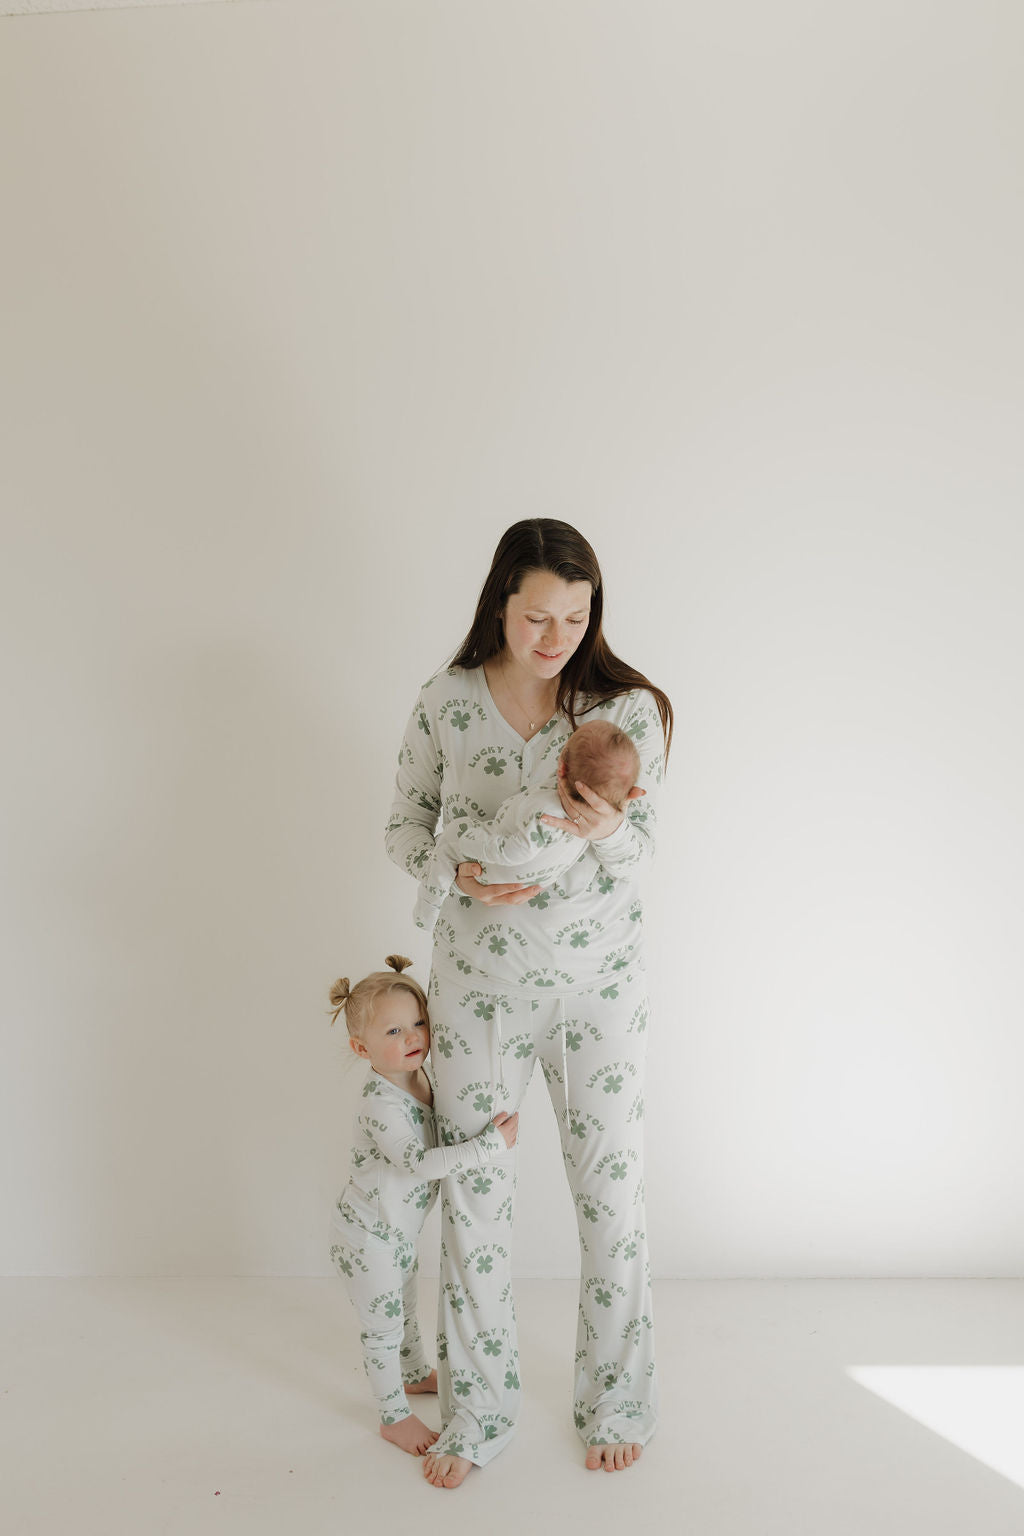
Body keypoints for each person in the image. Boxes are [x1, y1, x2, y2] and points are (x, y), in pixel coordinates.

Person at [385, 518, 672, 1488]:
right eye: (536, 616)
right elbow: (402, 829)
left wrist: (601, 830)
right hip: (478, 994)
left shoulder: (623, 710)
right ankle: (480, 1411)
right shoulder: (445, 704)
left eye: (575, 617)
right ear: (498, 605)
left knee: (614, 1201)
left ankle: (617, 1399)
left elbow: (644, 853)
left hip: (600, 993)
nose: (554, 637)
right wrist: (457, 869)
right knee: (474, 1198)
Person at [328, 954, 519, 1456]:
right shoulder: (380, 1103)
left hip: (396, 1232)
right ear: (360, 1048)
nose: (412, 1036)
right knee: (384, 1326)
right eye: (393, 1032)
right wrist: (487, 1147)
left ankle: (412, 1375)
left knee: (406, 1307)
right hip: (367, 1237)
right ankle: (393, 1417)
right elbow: (418, 1162)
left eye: (417, 1023)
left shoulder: (424, 1076)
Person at [413, 720, 641, 935]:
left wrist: (471, 843)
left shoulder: (547, 813)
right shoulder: (600, 812)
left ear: (561, 766)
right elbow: (573, 775)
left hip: (496, 868)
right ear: (630, 794)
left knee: (450, 839)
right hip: (532, 876)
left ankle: (427, 910)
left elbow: (514, 851)